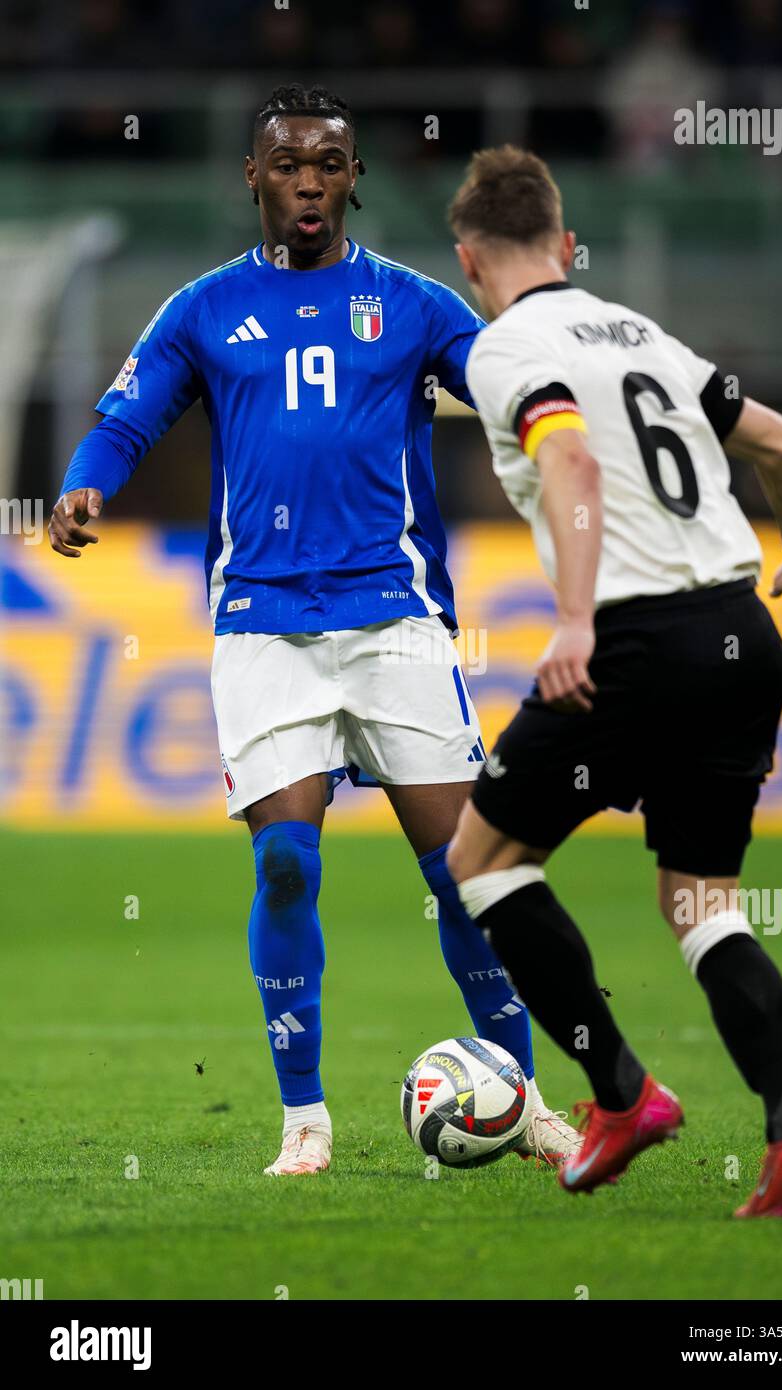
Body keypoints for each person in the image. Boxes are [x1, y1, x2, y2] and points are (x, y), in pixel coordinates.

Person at [48, 89, 582, 1176]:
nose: (308, 181)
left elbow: (508, 388)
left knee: (466, 874)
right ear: (253, 176)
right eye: (288, 163)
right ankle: (305, 1117)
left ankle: (520, 1096)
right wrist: (82, 488)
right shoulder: (202, 309)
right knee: (286, 865)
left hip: (394, 618)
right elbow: (128, 413)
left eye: (328, 164)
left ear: (352, 180)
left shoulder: (414, 304)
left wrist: (570, 423)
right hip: (264, 627)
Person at [445, 144, 782, 1218]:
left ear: (469, 257)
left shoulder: (504, 347)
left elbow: (567, 461)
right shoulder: (640, 334)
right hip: (740, 635)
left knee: (481, 859)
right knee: (701, 900)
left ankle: (619, 1093)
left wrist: (572, 618)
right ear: (566, 245)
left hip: (632, 637)